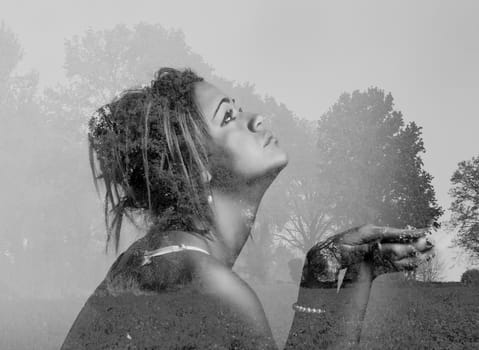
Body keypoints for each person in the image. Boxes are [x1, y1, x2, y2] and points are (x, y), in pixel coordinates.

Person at [61, 68, 434, 349]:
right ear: (199, 166)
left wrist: (340, 273)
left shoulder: (153, 259)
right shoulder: (211, 289)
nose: (255, 118)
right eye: (229, 117)